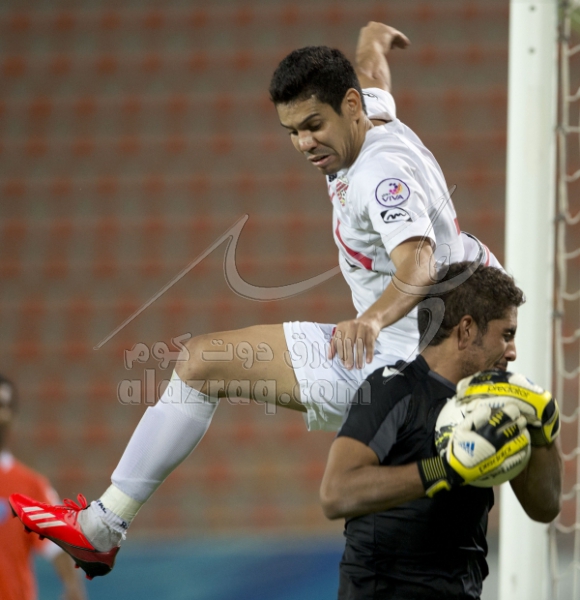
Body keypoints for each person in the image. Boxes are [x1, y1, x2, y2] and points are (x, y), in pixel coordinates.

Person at [10, 23, 501, 579]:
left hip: (407, 362)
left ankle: (102, 528)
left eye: (313, 126)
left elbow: (418, 265)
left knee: (203, 365)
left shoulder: (378, 176)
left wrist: (370, 319)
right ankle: (102, 527)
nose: (304, 143)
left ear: (349, 109)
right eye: (292, 131)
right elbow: (372, 78)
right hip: (434, 336)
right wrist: (373, 41)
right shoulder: (372, 118)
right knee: (200, 360)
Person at [320, 263, 563, 600]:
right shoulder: (391, 389)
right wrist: (445, 470)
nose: (513, 352)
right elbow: (335, 494)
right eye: (506, 335)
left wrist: (542, 431)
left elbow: (545, 507)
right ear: (466, 330)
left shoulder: (498, 405)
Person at [0, 375, 86, 600]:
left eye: (3, 405)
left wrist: (73, 588)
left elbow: (59, 545)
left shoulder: (30, 486)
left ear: (13, 417)